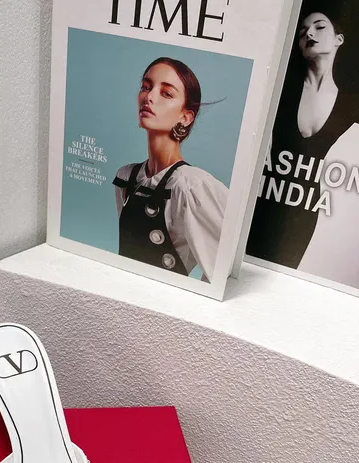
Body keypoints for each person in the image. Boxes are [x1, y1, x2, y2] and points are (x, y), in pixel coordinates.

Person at [247, 8, 357, 269]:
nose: (309, 33)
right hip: (259, 200)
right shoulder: (278, 88)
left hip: (307, 211)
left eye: (319, 26)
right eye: (302, 32)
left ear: (339, 39)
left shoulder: (352, 106)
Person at [113, 57, 228, 282]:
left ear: (185, 117)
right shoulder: (126, 177)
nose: (149, 97)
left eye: (166, 93)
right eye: (146, 87)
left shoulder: (192, 186)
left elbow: (225, 267)